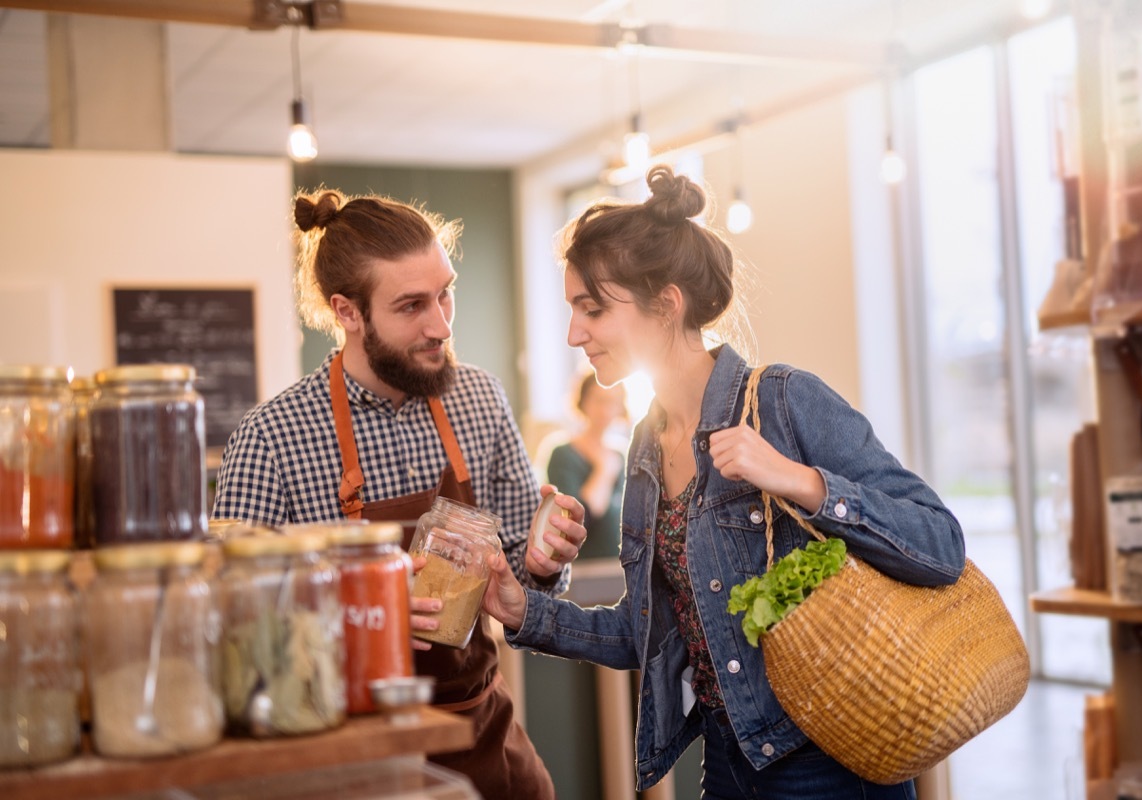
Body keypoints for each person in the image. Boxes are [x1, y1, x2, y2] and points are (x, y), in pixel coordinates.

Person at [482, 165, 966, 800]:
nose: (575, 333)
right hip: (729, 765)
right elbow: (650, 630)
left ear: (667, 302)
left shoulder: (785, 401)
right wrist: (529, 614)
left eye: (592, 308)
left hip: (829, 766)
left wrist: (796, 481)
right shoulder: (646, 447)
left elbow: (940, 543)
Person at [212, 188, 587, 800]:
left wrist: (544, 564)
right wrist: (360, 613)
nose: (440, 324)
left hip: (479, 731)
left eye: (446, 293)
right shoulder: (271, 437)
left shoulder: (479, 399)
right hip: (346, 750)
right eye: (412, 305)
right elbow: (232, 621)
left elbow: (522, 565)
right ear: (348, 311)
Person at [544, 371, 627, 559]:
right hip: (582, 569)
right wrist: (603, 471)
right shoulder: (563, 454)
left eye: (613, 402)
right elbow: (578, 522)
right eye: (599, 400)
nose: (606, 410)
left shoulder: (622, 456)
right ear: (583, 401)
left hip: (618, 566)